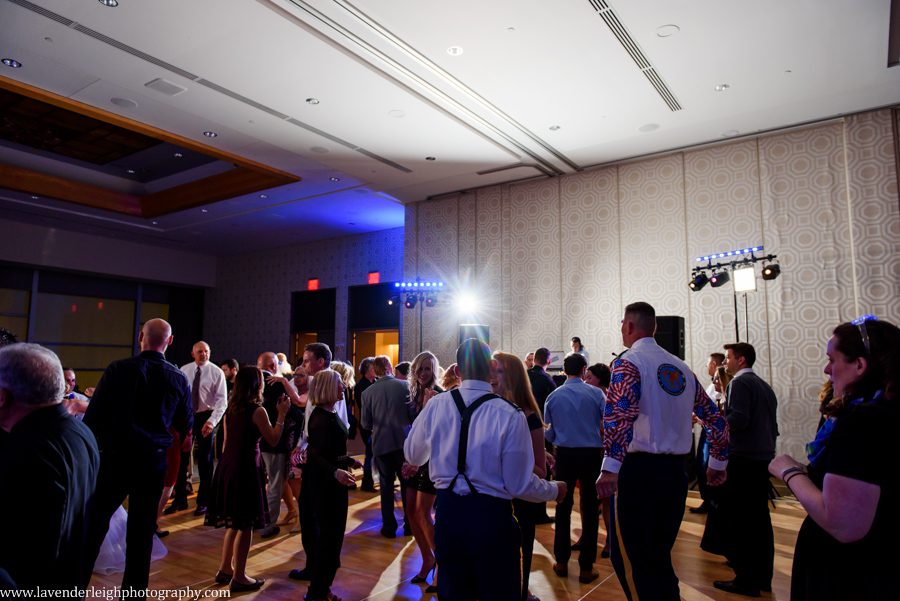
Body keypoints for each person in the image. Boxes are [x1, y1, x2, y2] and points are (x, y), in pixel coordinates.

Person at [404, 338, 566, 600]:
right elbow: (518, 485)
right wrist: (554, 490)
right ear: (491, 367)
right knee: (498, 591)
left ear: (457, 371)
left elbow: (412, 454)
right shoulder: (510, 414)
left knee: (455, 591)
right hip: (491, 518)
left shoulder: (437, 405)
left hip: (448, 515)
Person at [596, 302, 728, 601]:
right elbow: (715, 418)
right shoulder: (681, 367)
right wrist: (718, 463)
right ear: (654, 328)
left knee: (632, 559)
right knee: (658, 554)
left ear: (628, 327)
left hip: (639, 472)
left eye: (622, 325)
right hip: (675, 474)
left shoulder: (628, 363)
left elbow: (620, 415)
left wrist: (609, 468)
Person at [769, 317, 899, 600]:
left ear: (860, 365)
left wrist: (790, 471)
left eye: (832, 359)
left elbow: (842, 523)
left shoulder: (863, 421)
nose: (827, 369)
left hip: (850, 572)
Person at [81, 318, 192, 599]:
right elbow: (185, 422)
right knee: (142, 532)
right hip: (152, 461)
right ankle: (133, 595)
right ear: (169, 341)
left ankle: (73, 588)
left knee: (94, 525)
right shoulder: (178, 378)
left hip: (115, 458)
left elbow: (93, 418)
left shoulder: (118, 369)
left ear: (141, 336)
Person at [0, 343, 99, 591]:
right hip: (69, 578)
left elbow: (24, 545)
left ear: (3, 396)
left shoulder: (27, 448)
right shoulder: (81, 431)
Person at [206, 366, 289, 592]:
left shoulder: (231, 409)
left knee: (234, 521)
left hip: (228, 465)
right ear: (256, 384)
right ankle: (240, 576)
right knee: (246, 524)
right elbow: (272, 439)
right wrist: (281, 415)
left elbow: (225, 444)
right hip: (245, 469)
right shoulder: (257, 411)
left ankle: (225, 568)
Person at [713, 342, 779, 597]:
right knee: (759, 521)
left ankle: (746, 579)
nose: (724, 363)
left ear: (741, 360)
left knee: (742, 521)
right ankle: (762, 577)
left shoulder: (739, 384)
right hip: (762, 457)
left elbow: (738, 419)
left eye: (728, 358)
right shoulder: (764, 386)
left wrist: (717, 425)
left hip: (743, 458)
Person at [544, 352, 605, 584]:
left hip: (565, 455)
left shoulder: (554, 396)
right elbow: (606, 422)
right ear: (584, 370)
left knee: (562, 506)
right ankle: (587, 567)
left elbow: (549, 431)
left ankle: (561, 561)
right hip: (591, 455)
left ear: (564, 370)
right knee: (590, 509)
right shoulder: (596, 393)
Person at [491, 351, 548, 601]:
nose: (492, 376)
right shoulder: (486, 409)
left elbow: (540, 469)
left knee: (517, 555)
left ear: (512, 376)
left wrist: (511, 458)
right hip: (490, 498)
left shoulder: (528, 415)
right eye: (491, 370)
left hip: (518, 501)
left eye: (499, 371)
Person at [303, 369, 361, 601]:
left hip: (334, 479)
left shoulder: (331, 412)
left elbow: (330, 450)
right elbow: (315, 456)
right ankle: (317, 592)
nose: (343, 387)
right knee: (329, 539)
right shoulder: (319, 417)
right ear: (328, 386)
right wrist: (335, 470)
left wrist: (346, 460)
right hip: (325, 484)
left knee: (333, 538)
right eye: (339, 383)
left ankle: (322, 589)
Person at [169, 341, 227, 516]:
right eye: (200, 351)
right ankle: (180, 499)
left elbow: (221, 401)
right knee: (181, 458)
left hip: (206, 416)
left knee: (205, 460)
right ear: (193, 353)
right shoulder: (184, 370)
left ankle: (204, 501)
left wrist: (211, 422)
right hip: (187, 416)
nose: (204, 354)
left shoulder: (216, 372)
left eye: (207, 351)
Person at [360, 355, 414, 538]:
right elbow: (413, 414)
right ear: (390, 367)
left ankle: (389, 527)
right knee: (407, 485)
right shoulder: (405, 386)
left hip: (382, 444)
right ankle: (410, 526)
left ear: (374, 370)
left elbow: (366, 423)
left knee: (386, 485)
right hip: (403, 443)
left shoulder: (367, 393)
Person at [402, 351, 442, 592]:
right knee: (410, 511)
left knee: (423, 512)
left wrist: (428, 407)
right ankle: (427, 558)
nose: (423, 373)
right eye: (419, 368)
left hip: (430, 461)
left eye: (427, 368)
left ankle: (441, 565)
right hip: (413, 459)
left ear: (434, 370)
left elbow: (436, 432)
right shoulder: (414, 394)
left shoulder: (437, 394)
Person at [257, 351, 299, 538]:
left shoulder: (253, 383)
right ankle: (268, 524)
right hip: (276, 441)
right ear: (274, 366)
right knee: (274, 484)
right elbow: (292, 412)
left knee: (263, 483)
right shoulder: (276, 385)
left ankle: (257, 519)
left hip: (256, 442)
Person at [690, 352, 725, 515]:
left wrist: (698, 417)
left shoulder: (720, 387)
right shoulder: (712, 386)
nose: (707, 367)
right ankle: (708, 499)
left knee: (706, 464)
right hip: (707, 431)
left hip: (712, 433)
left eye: (708, 363)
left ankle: (712, 500)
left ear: (714, 364)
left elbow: (714, 413)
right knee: (701, 464)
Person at [355, 357, 377, 492]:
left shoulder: (375, 382)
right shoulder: (361, 385)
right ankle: (367, 483)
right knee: (370, 453)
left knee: (374, 453)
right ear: (366, 370)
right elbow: (364, 407)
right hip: (367, 424)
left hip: (377, 423)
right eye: (373, 368)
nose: (375, 370)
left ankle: (375, 479)